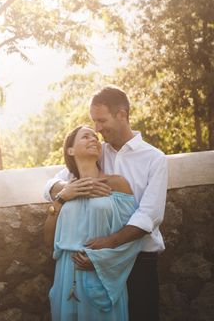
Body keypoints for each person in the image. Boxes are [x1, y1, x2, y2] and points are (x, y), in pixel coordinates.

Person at [44, 86, 168, 320]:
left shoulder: (154, 159)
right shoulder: (100, 153)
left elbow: (149, 216)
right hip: (94, 264)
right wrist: (66, 191)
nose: (97, 129)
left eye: (101, 121)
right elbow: (52, 184)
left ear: (122, 115)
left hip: (139, 261)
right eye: (94, 123)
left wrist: (107, 246)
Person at [45, 125, 143, 320]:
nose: (93, 139)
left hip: (100, 273)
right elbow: (48, 240)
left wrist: (100, 261)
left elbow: (133, 237)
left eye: (95, 137)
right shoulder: (64, 189)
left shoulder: (116, 184)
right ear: (70, 150)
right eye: (85, 136)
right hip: (66, 273)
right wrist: (63, 198)